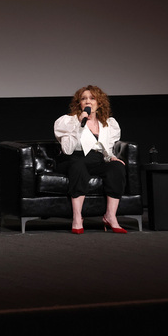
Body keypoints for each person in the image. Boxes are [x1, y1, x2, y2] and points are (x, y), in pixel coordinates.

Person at [54, 85, 127, 234]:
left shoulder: (108, 124)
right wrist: (78, 125)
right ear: (79, 104)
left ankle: (110, 216)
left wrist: (112, 158)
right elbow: (67, 150)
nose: (88, 101)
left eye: (92, 98)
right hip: (73, 159)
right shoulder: (69, 121)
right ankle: (77, 217)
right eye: (83, 99)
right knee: (79, 166)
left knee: (116, 167)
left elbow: (107, 149)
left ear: (99, 103)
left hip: (96, 160)